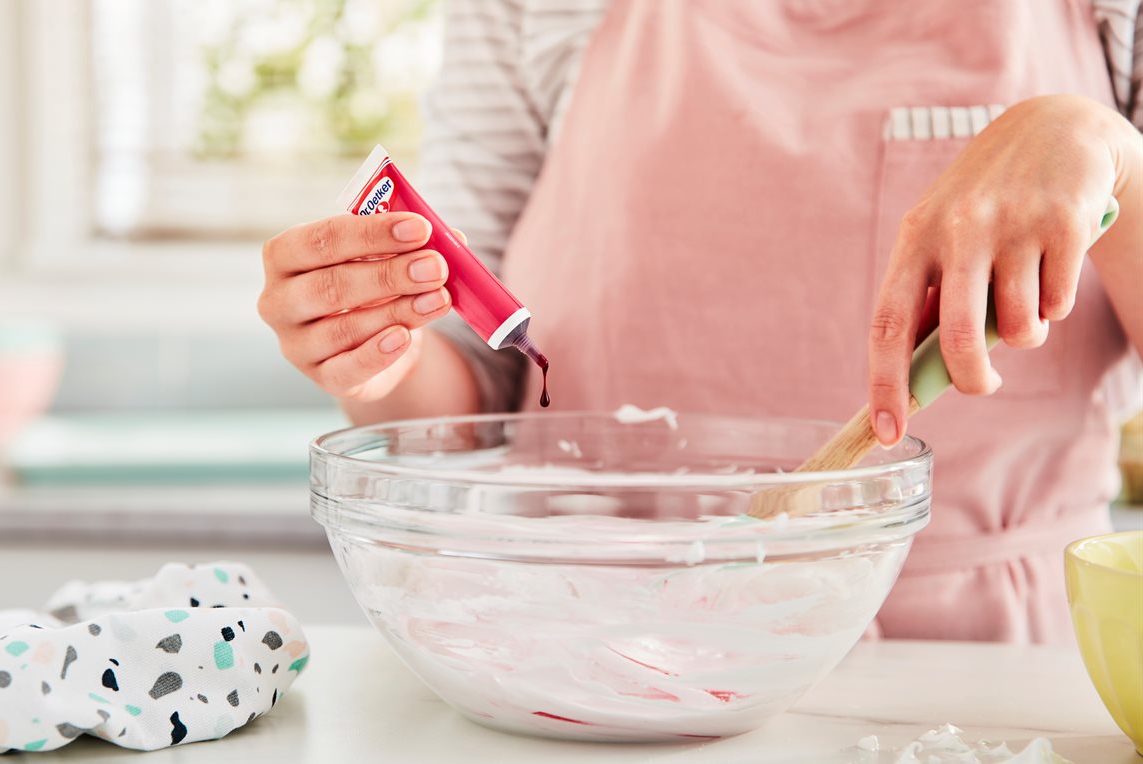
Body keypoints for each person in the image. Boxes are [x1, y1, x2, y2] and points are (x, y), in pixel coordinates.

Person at [259, 0, 1143, 644]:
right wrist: (380, 355)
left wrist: (1111, 158)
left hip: (991, 670)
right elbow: (474, 381)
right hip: (595, 644)